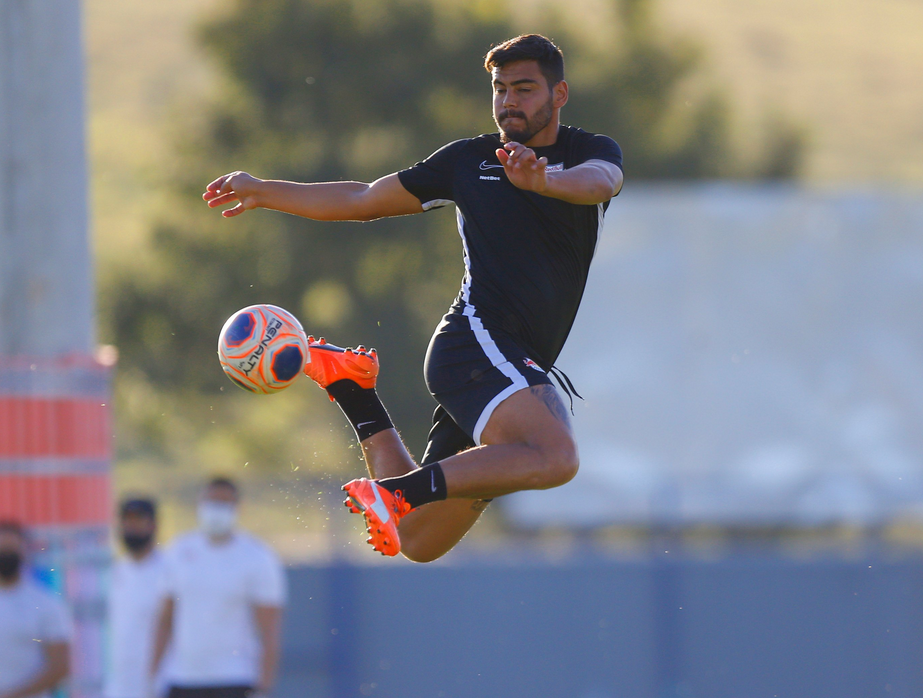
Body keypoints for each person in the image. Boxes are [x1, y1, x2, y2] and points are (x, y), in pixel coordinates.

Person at [203, 34, 623, 560]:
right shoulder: (468, 161)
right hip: (475, 345)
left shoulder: (587, 153)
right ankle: (392, 495)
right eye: (500, 89)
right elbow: (362, 198)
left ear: (559, 94)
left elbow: (601, 182)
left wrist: (543, 185)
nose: (510, 101)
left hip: (513, 363)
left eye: (525, 88)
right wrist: (266, 190)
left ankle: (354, 392)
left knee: (418, 540)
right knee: (554, 456)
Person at [150, 478, 285, 698]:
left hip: (235, 678)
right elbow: (164, 620)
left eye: (223, 503)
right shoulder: (179, 550)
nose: (216, 510)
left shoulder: (257, 557)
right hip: (182, 679)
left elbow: (269, 630)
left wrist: (264, 687)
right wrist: (153, 676)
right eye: (211, 502)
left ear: (237, 508)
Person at [0, 521, 72, 698]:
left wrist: (12, 695)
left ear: (24, 552)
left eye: (11, 550)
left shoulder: (45, 603)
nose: (6, 556)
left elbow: (60, 667)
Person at [106, 498, 168, 698]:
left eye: (138, 520)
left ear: (153, 525)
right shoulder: (115, 571)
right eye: (127, 520)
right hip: (119, 687)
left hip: (161, 685)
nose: (131, 526)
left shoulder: (169, 570)